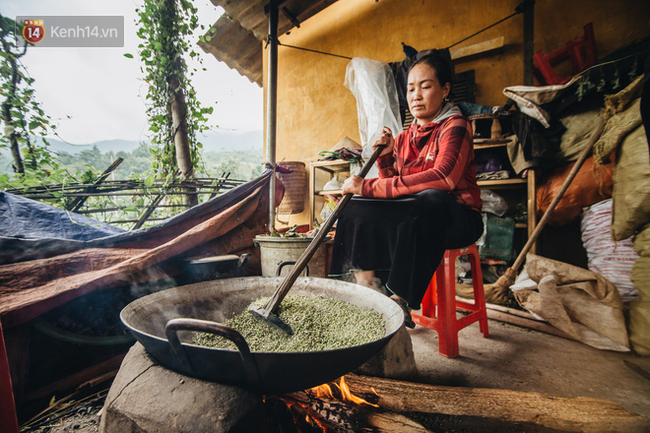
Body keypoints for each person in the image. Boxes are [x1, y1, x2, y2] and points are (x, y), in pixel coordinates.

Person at [328, 52, 484, 328]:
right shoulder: (404, 137)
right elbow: (397, 186)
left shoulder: (455, 126)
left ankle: (400, 299)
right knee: (355, 204)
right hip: (416, 216)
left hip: (457, 218)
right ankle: (366, 286)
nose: (416, 95)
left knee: (430, 198)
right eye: (411, 88)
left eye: (426, 86)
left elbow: (444, 178)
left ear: (445, 89)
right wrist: (387, 158)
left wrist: (369, 185)